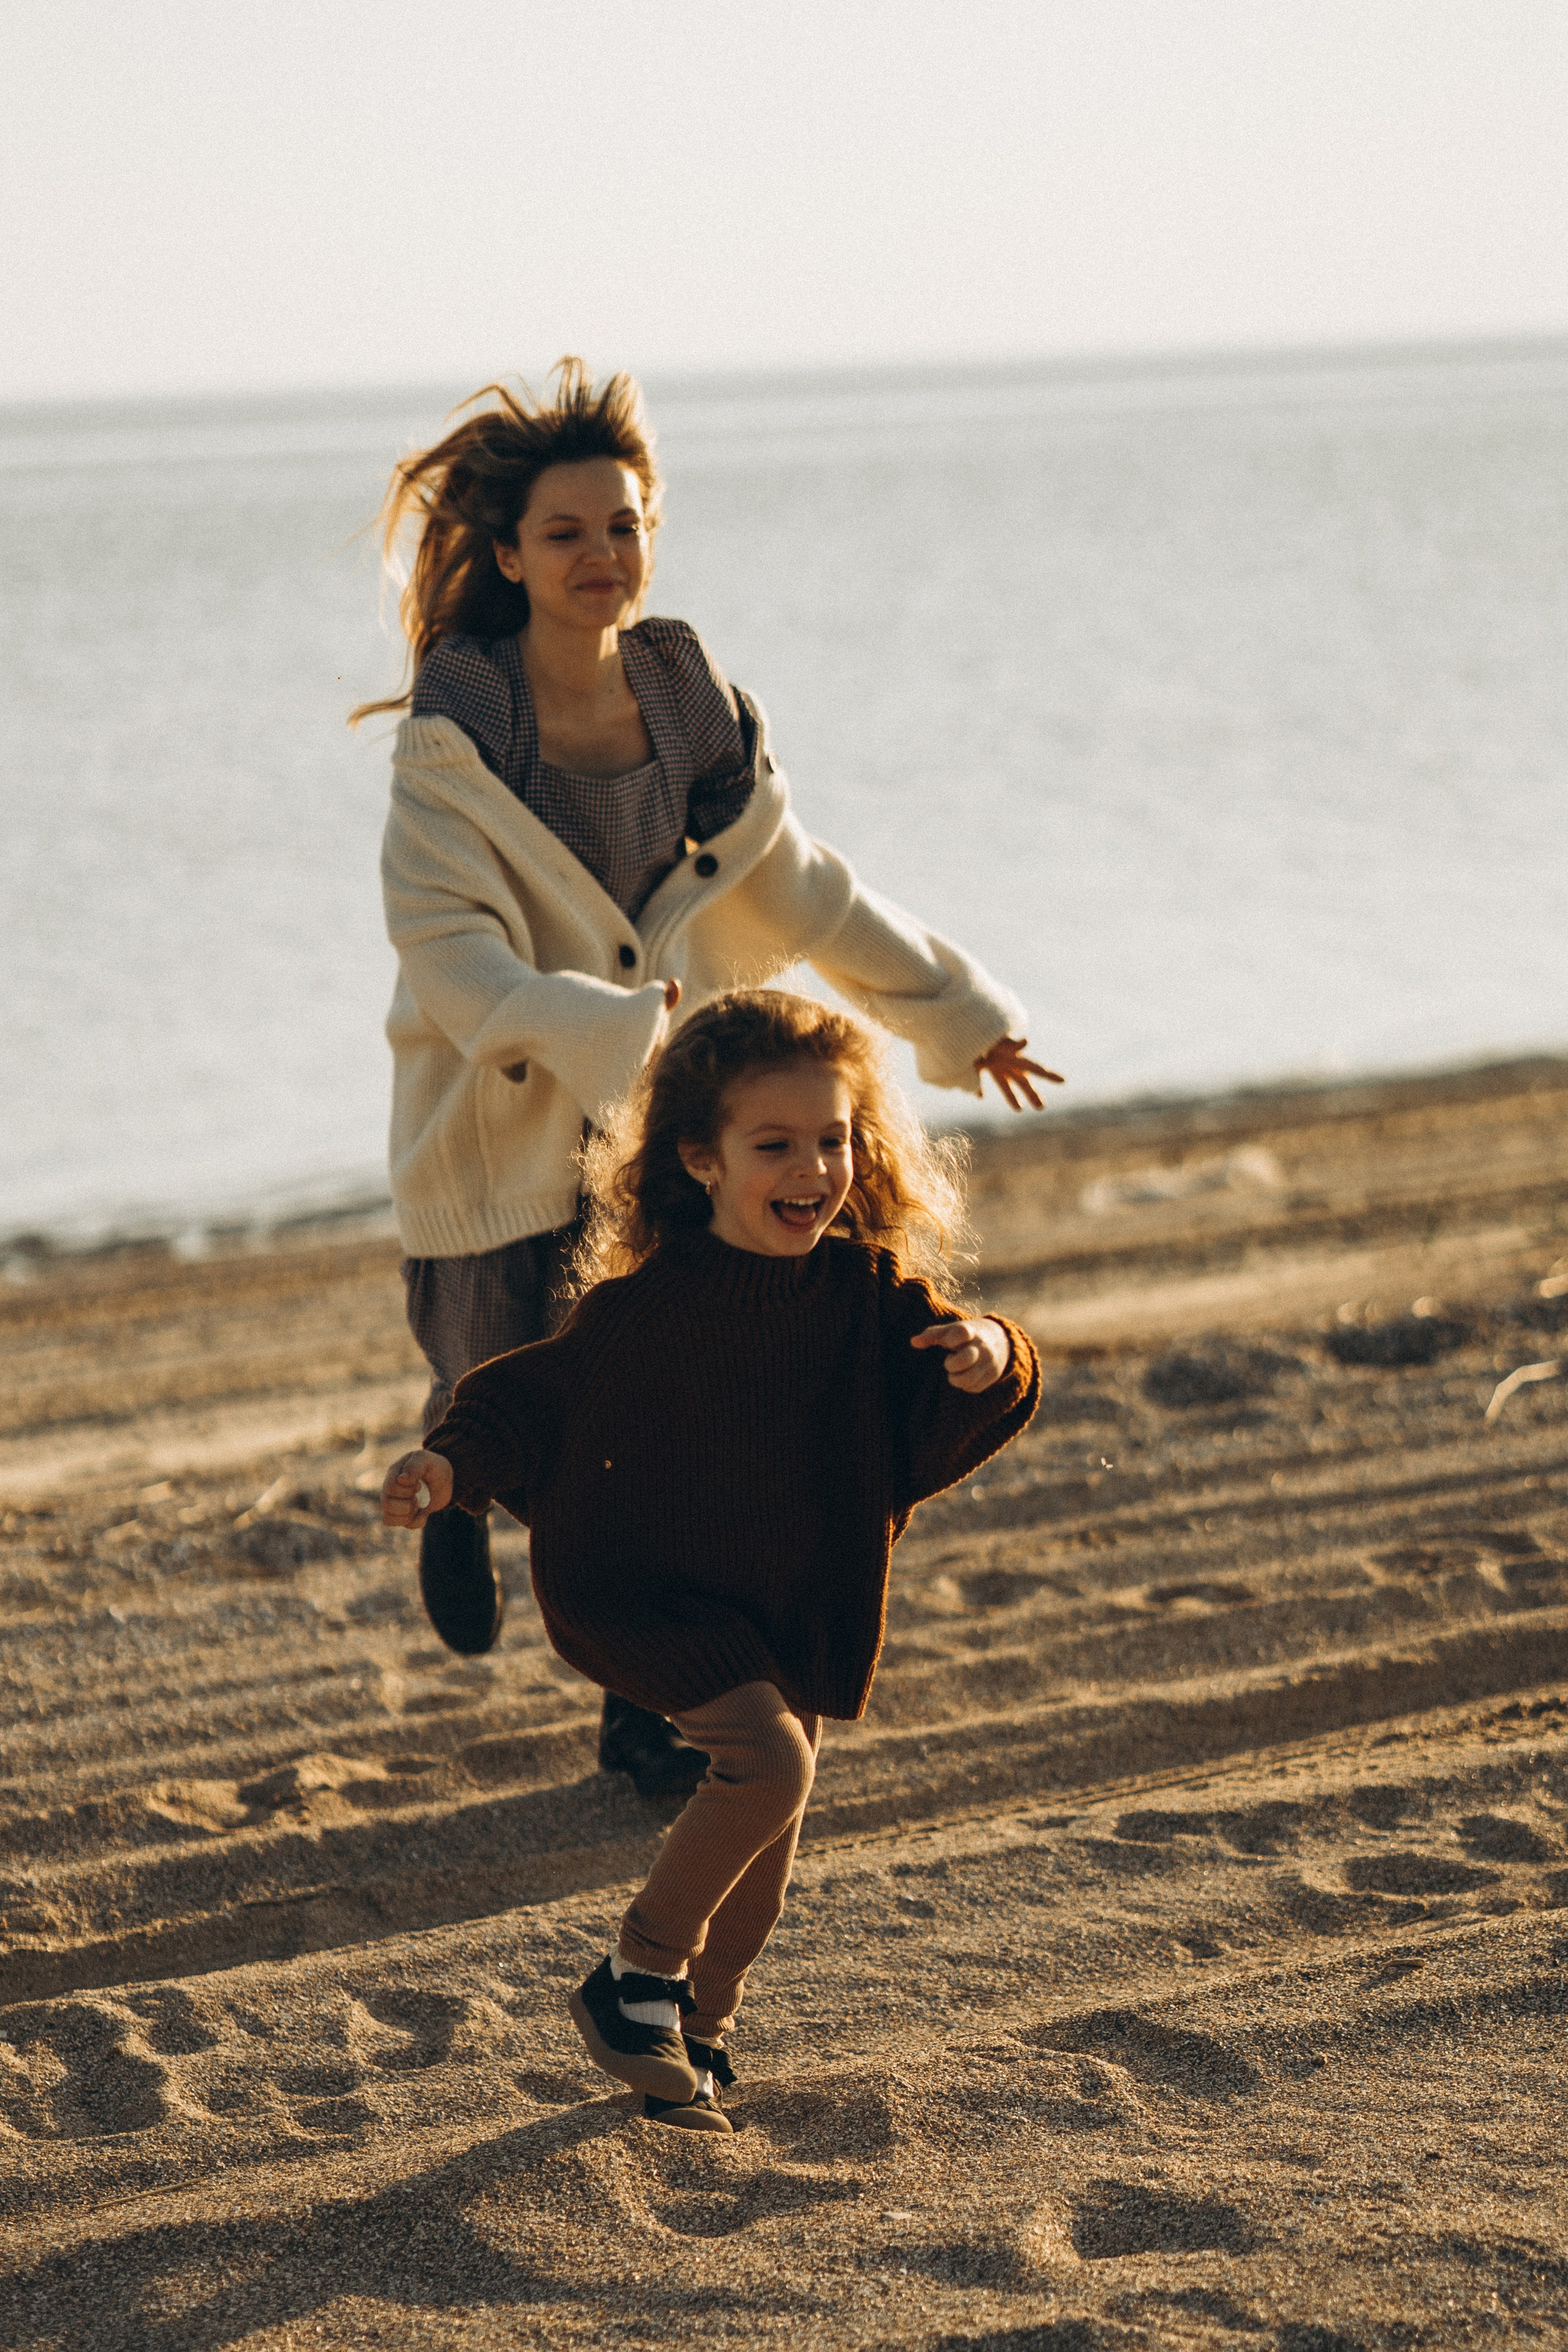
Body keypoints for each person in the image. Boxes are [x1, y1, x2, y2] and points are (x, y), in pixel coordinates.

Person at [355, 358, 1057, 1798]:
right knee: (506, 1382)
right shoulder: (455, 746)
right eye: (564, 533)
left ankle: (650, 1703)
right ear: (507, 556)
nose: (600, 556)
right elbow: (453, 970)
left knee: (657, 1416)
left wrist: (954, 1014)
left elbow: (801, 892)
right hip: (505, 1118)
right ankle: (459, 1482)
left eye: (623, 525)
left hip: (676, 1135)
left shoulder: (692, 705)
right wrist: (622, 1029)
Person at [381, 992, 1040, 2131]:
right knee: (768, 1769)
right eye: (774, 1145)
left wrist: (989, 1353)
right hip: (646, 1588)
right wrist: (449, 1471)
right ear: (701, 1159)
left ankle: (693, 2040)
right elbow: (530, 1400)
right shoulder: (648, 1312)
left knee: (771, 1840)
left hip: (789, 1594)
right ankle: (634, 1978)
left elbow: (972, 1363)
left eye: (833, 1140)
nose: (813, 1168)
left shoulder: (864, 1294)